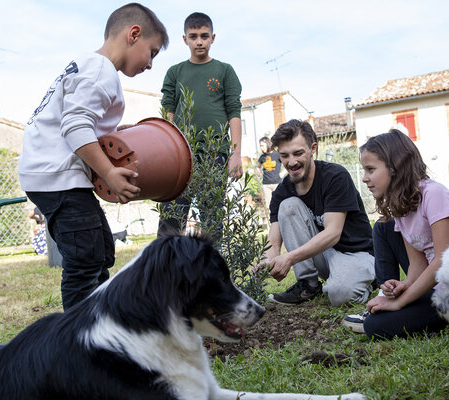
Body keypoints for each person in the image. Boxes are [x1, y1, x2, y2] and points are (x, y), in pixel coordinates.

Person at [18, 3, 169, 310]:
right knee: (85, 259)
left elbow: (82, 123)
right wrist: (110, 173)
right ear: (133, 34)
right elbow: (75, 126)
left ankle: (102, 322)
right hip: (59, 176)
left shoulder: (87, 65)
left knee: (101, 251)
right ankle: (77, 340)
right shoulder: (101, 70)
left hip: (53, 174)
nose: (151, 64)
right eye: (151, 52)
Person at [341, 129, 449, 339]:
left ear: (395, 168)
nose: (364, 178)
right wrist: (404, 287)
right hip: (439, 285)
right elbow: (418, 263)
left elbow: (445, 261)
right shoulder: (401, 207)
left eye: (370, 169)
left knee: (375, 326)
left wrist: (400, 302)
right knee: (382, 227)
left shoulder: (434, 194)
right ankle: (412, 307)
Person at [259, 119, 375, 307]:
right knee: (288, 206)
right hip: (324, 256)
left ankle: (368, 279)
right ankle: (308, 285)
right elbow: (273, 242)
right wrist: (265, 263)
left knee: (340, 296)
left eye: (298, 153)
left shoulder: (335, 176)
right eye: (284, 155)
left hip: (356, 253)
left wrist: (288, 258)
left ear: (313, 149)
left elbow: (332, 234)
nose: (291, 162)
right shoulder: (281, 192)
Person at [158, 12, 242, 237]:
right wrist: (168, 151)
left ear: (213, 37)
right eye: (193, 36)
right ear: (185, 39)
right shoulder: (175, 72)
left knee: (212, 219)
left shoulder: (225, 71)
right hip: (181, 155)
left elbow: (234, 111)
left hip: (215, 154)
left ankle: (211, 270)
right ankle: (166, 269)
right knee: (171, 216)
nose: (199, 41)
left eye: (204, 36)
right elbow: (169, 112)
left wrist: (235, 154)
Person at [256, 136, 283, 211]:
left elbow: (286, 162)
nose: (261, 148)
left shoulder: (277, 155)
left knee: (280, 203)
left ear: (268, 144)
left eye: (262, 145)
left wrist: (283, 173)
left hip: (277, 183)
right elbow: (257, 166)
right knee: (269, 205)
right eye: (260, 146)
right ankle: (272, 222)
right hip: (266, 185)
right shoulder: (262, 157)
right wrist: (260, 173)